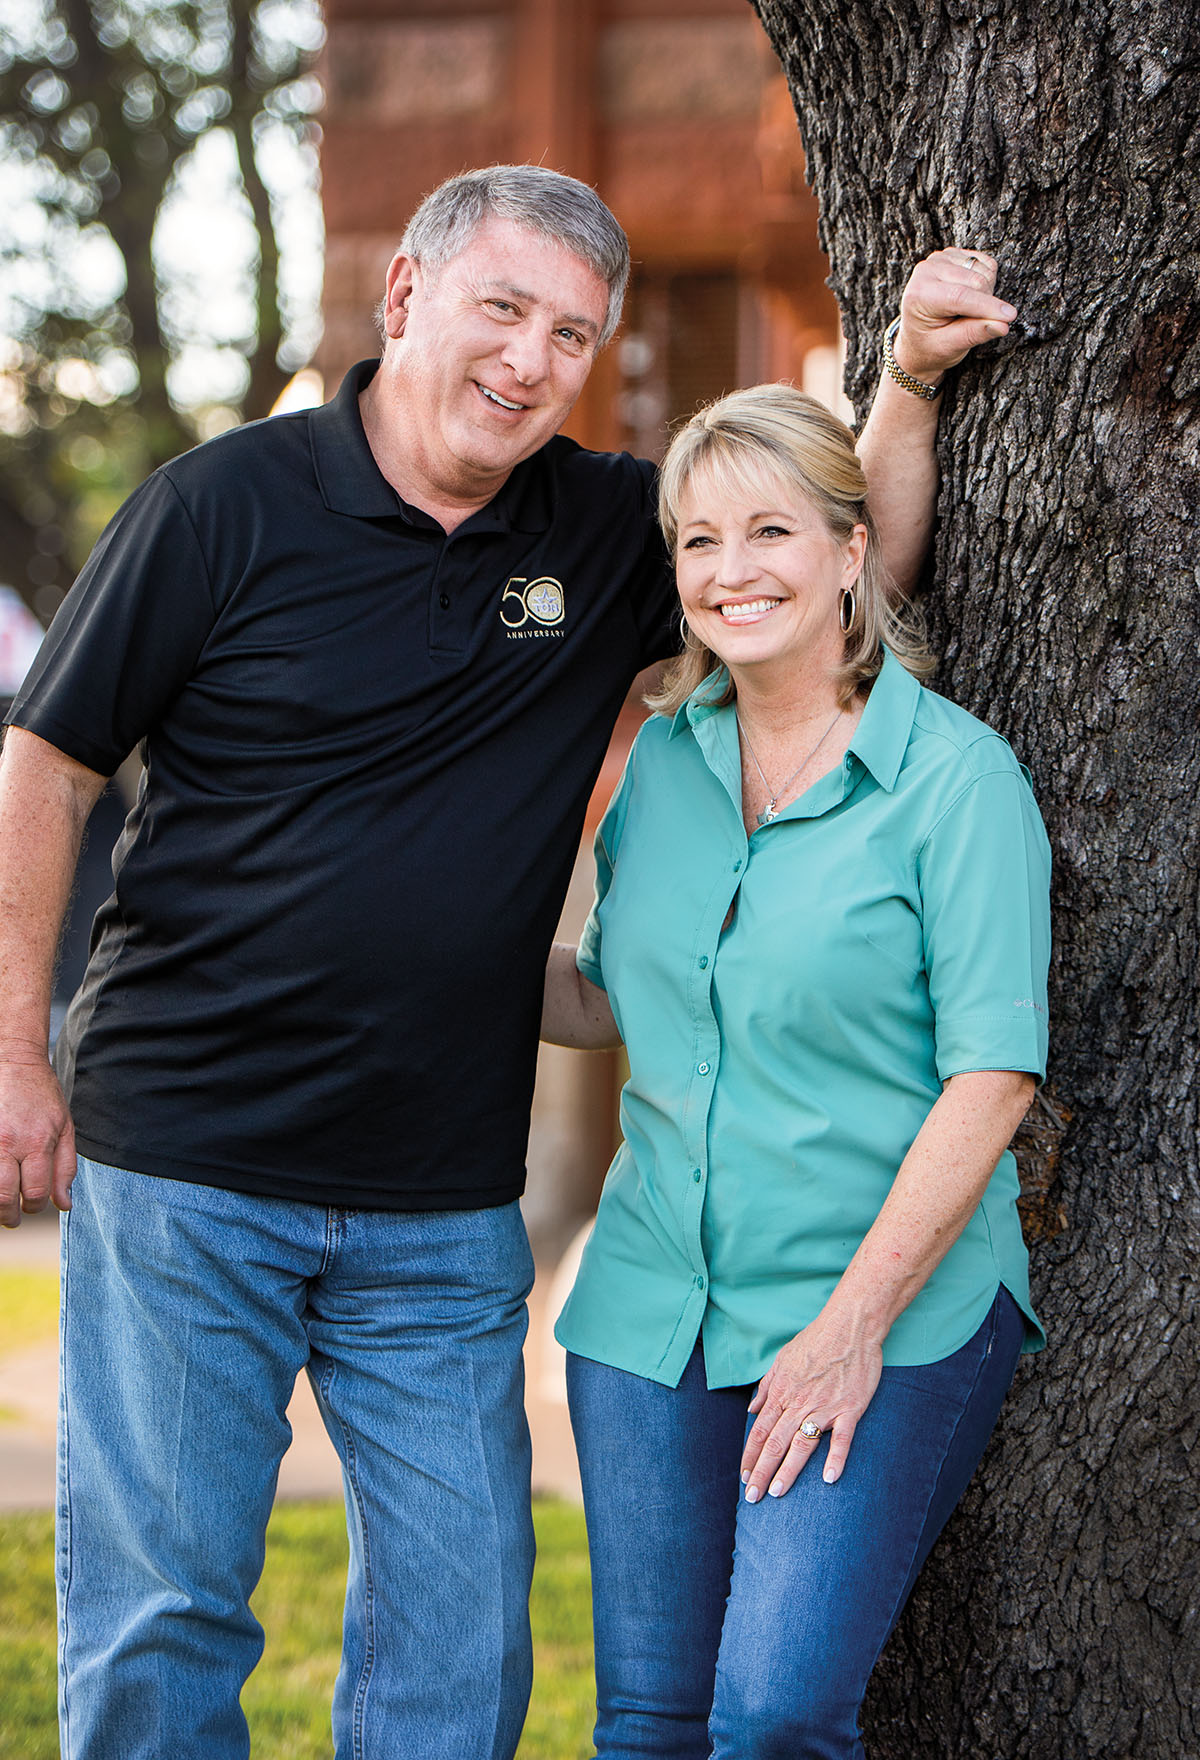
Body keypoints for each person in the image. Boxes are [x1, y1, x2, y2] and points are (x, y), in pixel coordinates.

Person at [0, 160, 1015, 1760]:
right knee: (163, 1620)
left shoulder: (613, 527)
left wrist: (898, 378)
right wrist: (11, 1059)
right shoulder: (219, 508)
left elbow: (842, 555)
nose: (533, 359)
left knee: (462, 1644)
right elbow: (44, 766)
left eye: (573, 333)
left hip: (442, 1203)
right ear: (406, 297)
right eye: (503, 309)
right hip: (188, 1167)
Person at [541, 382, 1050, 1759]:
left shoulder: (955, 783)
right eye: (697, 543)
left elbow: (994, 1077)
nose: (729, 572)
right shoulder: (670, 767)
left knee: (771, 1716)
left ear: (848, 549)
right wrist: (415, 942)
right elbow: (608, 1001)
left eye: (768, 531)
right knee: (646, 1723)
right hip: (656, 1306)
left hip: (884, 1303)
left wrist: (847, 1328)